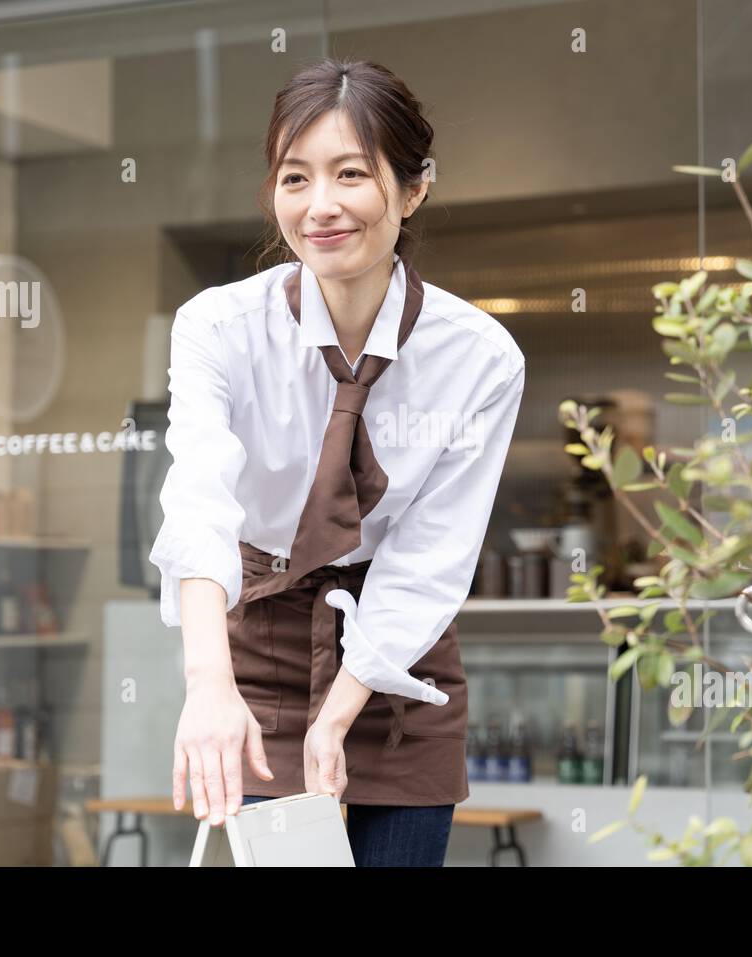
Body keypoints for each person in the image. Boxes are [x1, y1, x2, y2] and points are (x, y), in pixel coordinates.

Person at [150, 57, 525, 867]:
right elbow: (200, 503)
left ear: (413, 188)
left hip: (395, 656)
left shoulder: (480, 358)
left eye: (350, 174)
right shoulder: (217, 328)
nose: (320, 206)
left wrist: (341, 707)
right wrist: (209, 685)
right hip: (257, 643)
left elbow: (430, 555)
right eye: (295, 177)